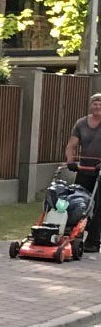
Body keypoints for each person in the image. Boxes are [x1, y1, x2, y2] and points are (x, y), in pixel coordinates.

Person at [63, 92, 101, 252]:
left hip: (100, 171)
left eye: (100, 104)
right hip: (84, 169)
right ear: (91, 105)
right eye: (95, 103)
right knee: (77, 202)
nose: (97, 106)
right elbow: (72, 144)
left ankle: (93, 241)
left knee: (98, 206)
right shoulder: (81, 123)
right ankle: (73, 236)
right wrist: (70, 161)